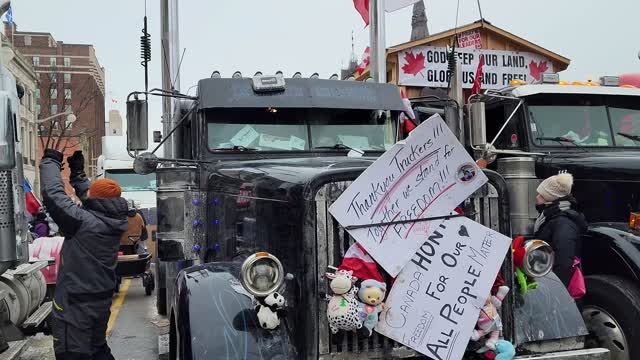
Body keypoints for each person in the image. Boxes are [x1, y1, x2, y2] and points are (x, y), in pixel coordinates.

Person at [40, 149, 128, 360]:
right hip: (98, 303)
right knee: (97, 350)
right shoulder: (112, 221)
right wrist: (78, 175)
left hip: (75, 309)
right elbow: (95, 197)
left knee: (75, 354)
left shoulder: (83, 223)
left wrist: (50, 162)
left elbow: (54, 195)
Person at [534, 172, 587, 287]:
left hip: (556, 286)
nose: (537, 198)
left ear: (551, 198)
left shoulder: (563, 223)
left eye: (541, 195)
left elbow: (564, 262)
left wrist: (556, 289)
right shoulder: (551, 217)